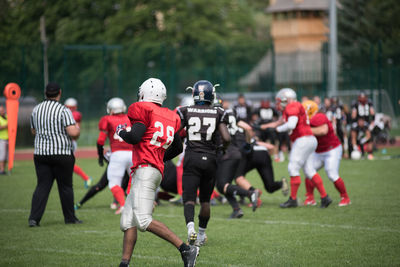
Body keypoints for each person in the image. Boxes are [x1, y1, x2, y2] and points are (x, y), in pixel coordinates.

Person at [116, 78, 199, 267]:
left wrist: (121, 132)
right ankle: (124, 263)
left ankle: (186, 249)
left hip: (145, 169)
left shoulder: (141, 108)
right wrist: (159, 156)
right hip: (151, 169)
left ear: (144, 93)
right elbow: (177, 147)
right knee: (128, 221)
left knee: (144, 221)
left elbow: (135, 136)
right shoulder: (171, 115)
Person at [177, 80, 230, 247]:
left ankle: (190, 229)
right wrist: (221, 149)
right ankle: (201, 234)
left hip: (192, 157)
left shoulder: (185, 111)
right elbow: (227, 138)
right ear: (211, 94)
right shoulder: (218, 112)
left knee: (189, 199)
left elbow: (175, 132)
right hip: (210, 158)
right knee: (205, 200)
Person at [260, 88, 332, 208]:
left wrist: (277, 129)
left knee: (293, 167)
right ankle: (325, 197)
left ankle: (292, 199)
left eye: (279, 101)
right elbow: (280, 122)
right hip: (310, 139)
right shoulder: (294, 106)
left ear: (286, 100)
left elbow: (291, 124)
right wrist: (263, 126)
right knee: (309, 170)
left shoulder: (291, 106)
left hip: (303, 139)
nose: (278, 104)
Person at [28, 82, 82, 227]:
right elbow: (72, 133)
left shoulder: (36, 109)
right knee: (65, 187)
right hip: (61, 153)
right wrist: (77, 130)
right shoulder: (63, 110)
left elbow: (33, 131)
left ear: (45, 93)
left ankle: (34, 218)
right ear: (60, 92)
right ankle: (70, 218)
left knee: (42, 186)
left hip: (41, 153)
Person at [215, 98, 259, 219]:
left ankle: (250, 193)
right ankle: (236, 209)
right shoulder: (230, 113)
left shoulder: (214, 114)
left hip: (225, 153)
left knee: (221, 184)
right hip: (236, 152)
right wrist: (248, 144)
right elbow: (248, 128)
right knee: (223, 185)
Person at [302, 100, 351, 206]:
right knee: (308, 171)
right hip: (318, 151)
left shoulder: (319, 117)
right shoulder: (305, 120)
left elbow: (322, 131)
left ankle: (345, 197)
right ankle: (310, 198)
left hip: (331, 149)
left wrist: (305, 130)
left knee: (331, 173)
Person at [96, 97, 133, 215]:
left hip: (117, 155)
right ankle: (139, 205)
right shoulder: (130, 118)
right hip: (133, 154)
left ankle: (123, 205)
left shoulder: (107, 119)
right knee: (136, 181)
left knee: (114, 183)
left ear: (111, 109)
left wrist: (100, 156)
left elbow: (100, 141)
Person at [64, 98, 93, 189]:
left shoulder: (73, 115)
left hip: (70, 141)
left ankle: (86, 178)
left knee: (68, 164)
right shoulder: (76, 114)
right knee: (65, 164)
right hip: (70, 141)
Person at [350, 92, 375, 160]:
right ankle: (355, 151)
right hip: (359, 124)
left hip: (365, 123)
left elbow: (353, 115)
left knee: (370, 139)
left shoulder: (366, 125)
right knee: (353, 138)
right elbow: (353, 138)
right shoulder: (355, 126)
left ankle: (370, 153)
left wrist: (363, 140)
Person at [0, 105, 8, 175]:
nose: (2, 111)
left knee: (7, 156)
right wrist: (6, 126)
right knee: (2, 155)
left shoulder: (7, 117)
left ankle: (4, 169)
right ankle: (1, 170)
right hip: (1, 139)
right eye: (1, 110)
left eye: (2, 110)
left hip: (8, 139)